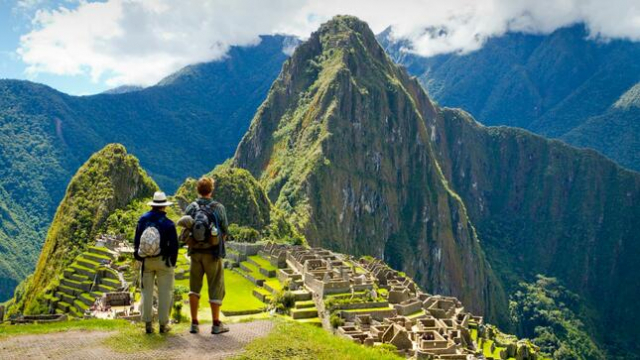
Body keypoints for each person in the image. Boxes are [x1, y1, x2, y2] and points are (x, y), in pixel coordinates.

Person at [184, 177, 229, 335]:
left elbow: (186, 230)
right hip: (212, 255)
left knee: (194, 288)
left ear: (198, 190)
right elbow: (225, 231)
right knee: (215, 286)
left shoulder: (191, 207)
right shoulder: (219, 208)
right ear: (211, 190)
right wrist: (216, 243)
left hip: (195, 254)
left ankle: (194, 323)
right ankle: (216, 324)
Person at [134, 191, 179, 334]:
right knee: (165, 293)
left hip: (147, 261)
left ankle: (148, 324)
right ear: (164, 206)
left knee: (146, 292)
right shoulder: (169, 224)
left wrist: (140, 258)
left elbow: (136, 242)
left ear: (153, 205)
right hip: (163, 262)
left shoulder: (142, 220)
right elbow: (174, 247)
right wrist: (172, 262)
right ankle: (163, 325)